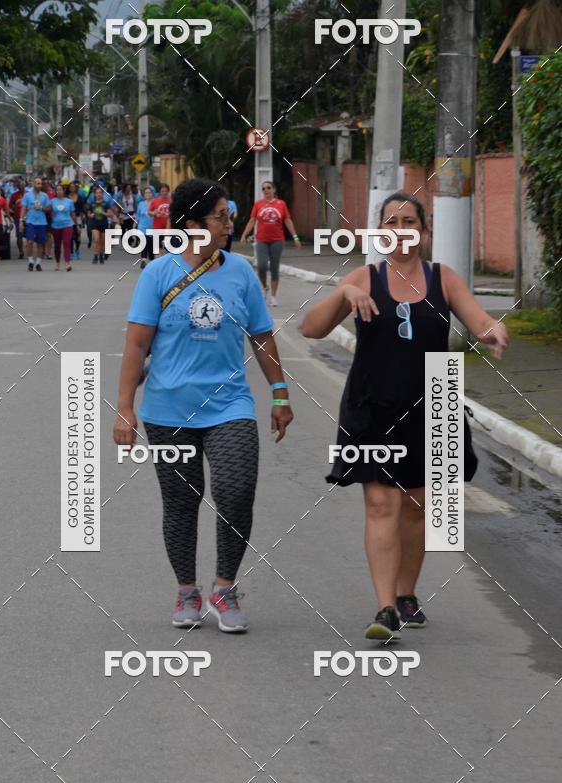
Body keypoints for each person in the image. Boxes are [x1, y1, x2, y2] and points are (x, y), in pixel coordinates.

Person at [301, 192, 509, 641]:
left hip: (434, 400)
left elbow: (478, 320)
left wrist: (494, 331)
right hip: (373, 405)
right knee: (380, 502)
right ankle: (385, 608)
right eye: (391, 221)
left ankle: (407, 593)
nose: (400, 229)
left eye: (409, 221)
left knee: (418, 507)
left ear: (423, 231)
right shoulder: (364, 277)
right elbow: (310, 329)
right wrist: (344, 291)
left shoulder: (443, 278)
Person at [113, 178, 293, 632]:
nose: (228, 225)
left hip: (229, 405)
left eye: (229, 216)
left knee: (236, 495)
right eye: (220, 217)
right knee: (180, 502)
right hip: (167, 409)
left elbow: (261, 335)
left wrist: (279, 392)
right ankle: (187, 590)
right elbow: (136, 346)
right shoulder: (158, 273)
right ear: (192, 224)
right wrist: (124, 407)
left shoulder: (240, 273)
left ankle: (224, 588)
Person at [240, 180, 301, 306]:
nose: (266, 190)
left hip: (277, 240)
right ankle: (264, 287)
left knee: (274, 268)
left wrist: (295, 237)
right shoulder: (258, 204)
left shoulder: (281, 204)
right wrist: (244, 235)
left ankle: (273, 296)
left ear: (274, 189)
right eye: (263, 189)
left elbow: (288, 221)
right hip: (262, 240)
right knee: (261, 266)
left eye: (268, 188)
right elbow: (252, 221)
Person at [20, 176, 51, 271]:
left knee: (41, 243)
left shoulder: (44, 196)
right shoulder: (27, 195)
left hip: (41, 223)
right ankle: (30, 261)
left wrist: (40, 208)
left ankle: (38, 263)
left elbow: (48, 208)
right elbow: (23, 208)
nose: (39, 185)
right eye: (37, 183)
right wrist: (21, 221)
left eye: (40, 184)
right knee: (29, 241)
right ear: (33, 184)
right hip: (30, 222)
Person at [50, 183, 76, 271]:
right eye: (57, 190)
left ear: (63, 191)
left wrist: (77, 225)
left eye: (60, 190)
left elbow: (72, 214)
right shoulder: (52, 201)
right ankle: (57, 263)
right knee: (57, 245)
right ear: (55, 191)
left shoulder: (69, 201)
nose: (59, 191)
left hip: (68, 225)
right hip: (56, 226)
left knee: (66, 243)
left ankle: (68, 263)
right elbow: (50, 213)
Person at [86, 185, 113, 264]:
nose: (98, 194)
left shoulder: (105, 204)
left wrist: (103, 213)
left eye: (100, 193)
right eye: (97, 193)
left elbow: (110, 214)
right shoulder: (92, 204)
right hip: (94, 224)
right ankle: (95, 256)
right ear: (94, 194)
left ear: (102, 194)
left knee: (102, 241)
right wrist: (90, 215)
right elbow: (88, 213)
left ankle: (101, 254)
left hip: (103, 224)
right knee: (97, 240)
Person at [148, 183, 171, 253]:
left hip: (168, 229)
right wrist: (154, 213)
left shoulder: (172, 201)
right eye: (162, 191)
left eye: (166, 191)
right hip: (157, 228)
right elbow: (149, 212)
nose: (164, 193)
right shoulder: (155, 201)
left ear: (168, 191)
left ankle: (165, 262)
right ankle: (158, 263)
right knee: (157, 248)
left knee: (168, 248)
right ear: (160, 192)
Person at [136, 187, 155, 269]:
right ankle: (143, 261)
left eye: (149, 192)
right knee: (144, 244)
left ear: (152, 193)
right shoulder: (141, 204)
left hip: (153, 228)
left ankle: (152, 261)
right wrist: (135, 225)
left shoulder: (155, 203)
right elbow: (138, 216)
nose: (147, 194)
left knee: (151, 248)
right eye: (146, 193)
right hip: (142, 228)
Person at [67, 180, 86, 259]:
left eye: (73, 187)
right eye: (70, 187)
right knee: (70, 236)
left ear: (76, 188)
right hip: (69, 218)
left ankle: (77, 250)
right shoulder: (66, 197)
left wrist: (82, 218)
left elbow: (82, 209)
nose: (72, 188)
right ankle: (71, 252)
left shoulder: (80, 197)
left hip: (78, 218)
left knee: (77, 235)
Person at [8, 178, 26, 259]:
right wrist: (16, 204)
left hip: (29, 217)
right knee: (19, 235)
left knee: (31, 235)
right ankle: (21, 252)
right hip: (18, 217)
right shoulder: (14, 195)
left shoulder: (29, 194)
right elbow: (10, 207)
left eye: (22, 185)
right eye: (19, 185)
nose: (20, 186)